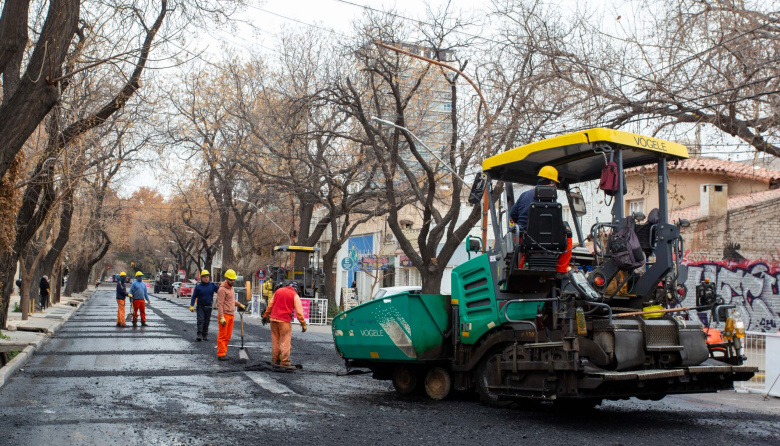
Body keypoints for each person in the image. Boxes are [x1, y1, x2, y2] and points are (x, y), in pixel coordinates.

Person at [509, 165, 572, 273]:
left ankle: (521, 267)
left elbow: (513, 214)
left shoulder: (524, 195)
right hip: (547, 240)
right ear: (552, 183)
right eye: (555, 184)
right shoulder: (553, 201)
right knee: (568, 234)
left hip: (523, 237)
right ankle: (561, 269)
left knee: (527, 248)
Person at [262, 281, 307, 367]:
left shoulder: (278, 291)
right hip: (284, 321)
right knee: (285, 342)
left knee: (275, 341)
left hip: (273, 320)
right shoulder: (294, 295)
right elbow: (299, 312)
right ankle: (284, 362)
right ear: (296, 288)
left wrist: (265, 316)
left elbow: (270, 305)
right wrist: (303, 323)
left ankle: (275, 360)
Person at [216, 269, 245, 361]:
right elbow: (219, 304)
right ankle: (221, 354)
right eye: (231, 280)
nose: (233, 281)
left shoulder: (231, 288)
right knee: (222, 335)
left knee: (228, 336)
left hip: (231, 314)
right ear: (226, 278)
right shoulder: (222, 289)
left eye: (234, 280)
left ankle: (224, 352)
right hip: (224, 315)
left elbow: (231, 301)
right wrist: (221, 317)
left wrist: (239, 304)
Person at [190, 270, 218, 342]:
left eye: (207, 277)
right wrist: (191, 305)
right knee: (200, 320)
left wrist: (221, 286)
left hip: (209, 306)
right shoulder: (198, 287)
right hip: (200, 306)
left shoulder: (212, 285)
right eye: (205, 277)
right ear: (202, 278)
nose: (206, 278)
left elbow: (219, 291)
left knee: (207, 321)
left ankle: (205, 335)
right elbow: (194, 296)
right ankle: (199, 334)